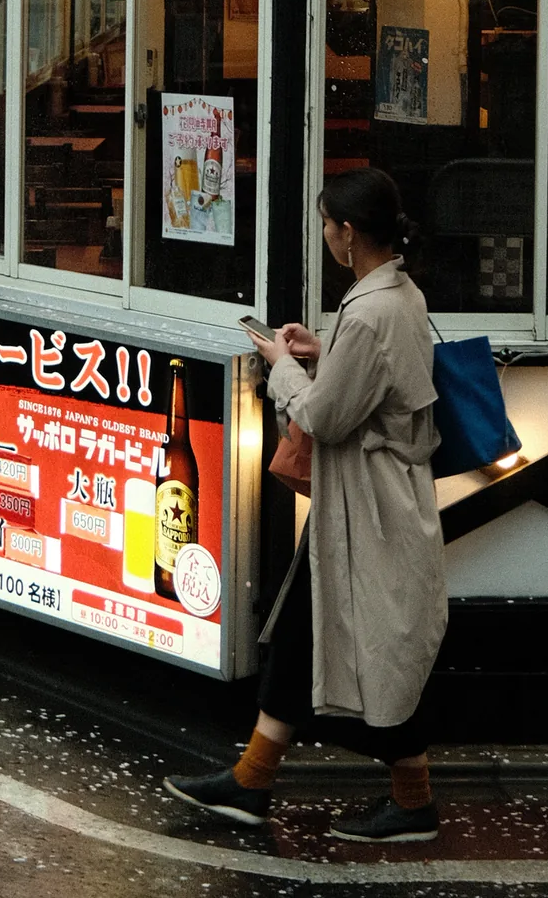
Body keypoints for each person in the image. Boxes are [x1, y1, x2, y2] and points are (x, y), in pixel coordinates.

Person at [165, 166, 449, 843]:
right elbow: (369, 380)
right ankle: (251, 779)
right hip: (363, 505)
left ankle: (412, 802)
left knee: (380, 651)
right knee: (300, 631)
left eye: (327, 225)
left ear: (348, 234)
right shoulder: (395, 295)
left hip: (370, 509)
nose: (324, 235)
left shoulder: (372, 307)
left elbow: (324, 418)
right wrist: (326, 350)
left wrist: (282, 366)